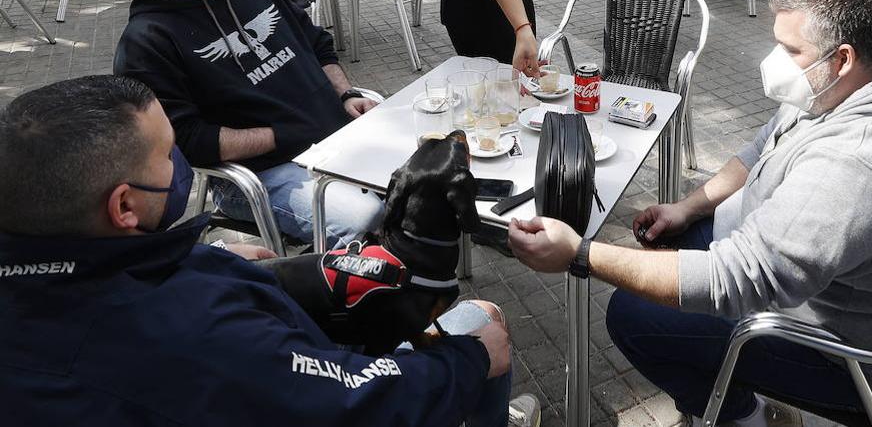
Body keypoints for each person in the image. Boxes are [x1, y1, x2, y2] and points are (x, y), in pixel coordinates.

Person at [505, 0, 872, 424]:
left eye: (789, 49)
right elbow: (763, 146)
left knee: (631, 316)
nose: (774, 61)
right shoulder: (871, 74)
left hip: (850, 361)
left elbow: (738, 279)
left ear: (842, 57)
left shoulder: (864, 158)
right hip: (808, 283)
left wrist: (581, 253)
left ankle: (746, 415)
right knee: (661, 246)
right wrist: (688, 207)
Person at [0, 74, 540, 427]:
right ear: (124, 207)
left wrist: (214, 261)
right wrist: (467, 363)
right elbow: (348, 401)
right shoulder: (191, 336)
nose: (181, 165)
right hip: (315, 389)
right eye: (168, 155)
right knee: (481, 321)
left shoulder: (59, 266)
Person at [113, 0, 385, 249]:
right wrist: (281, 135)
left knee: (427, 167)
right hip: (261, 173)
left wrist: (345, 93)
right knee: (364, 217)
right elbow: (187, 140)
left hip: (334, 139)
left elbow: (318, 43)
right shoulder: (148, 42)